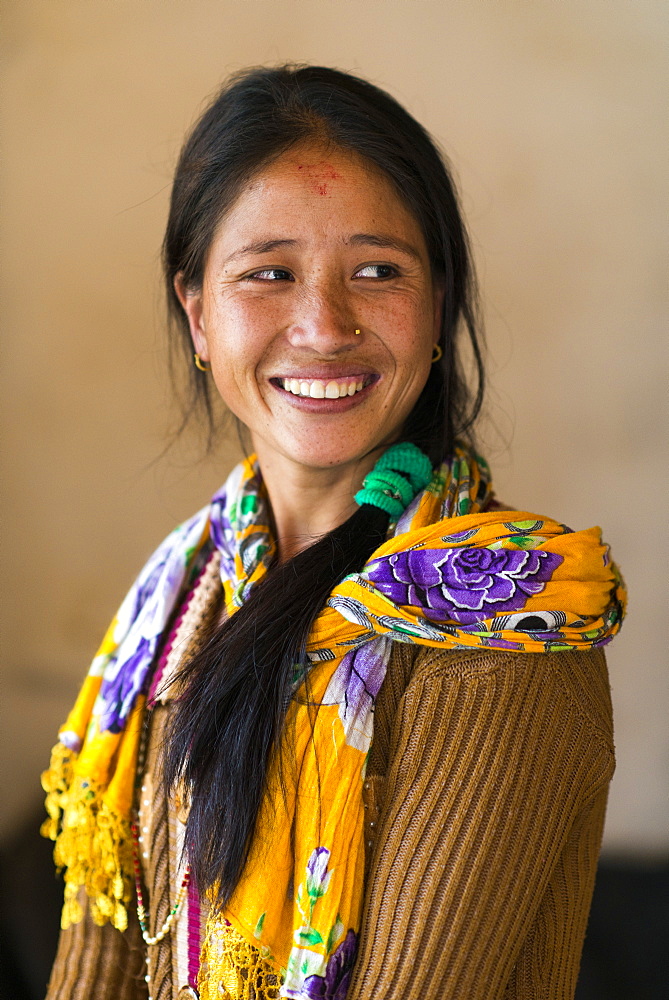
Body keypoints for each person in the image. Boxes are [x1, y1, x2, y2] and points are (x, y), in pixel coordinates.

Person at [42, 65, 625, 1000]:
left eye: (377, 271)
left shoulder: (502, 626)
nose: (322, 324)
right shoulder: (182, 597)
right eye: (268, 273)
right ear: (197, 313)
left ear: (437, 306)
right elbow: (100, 965)